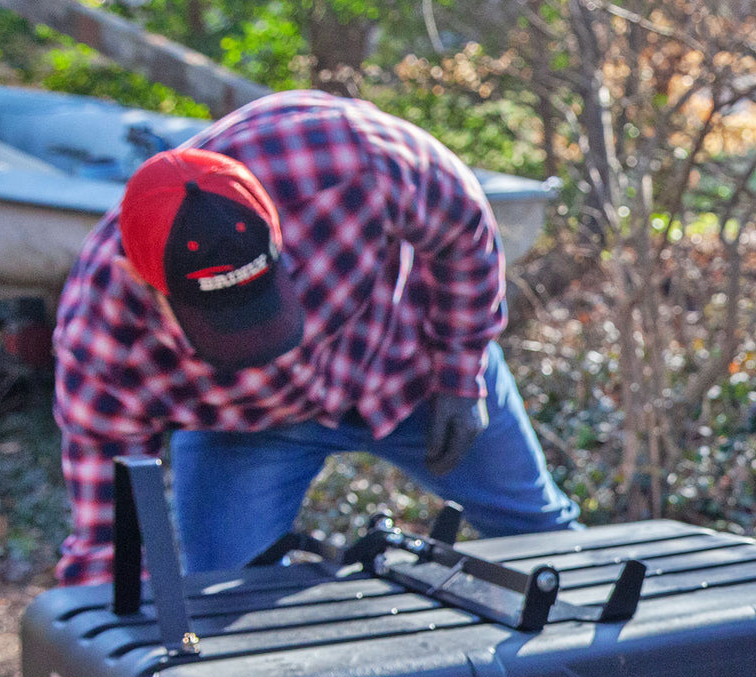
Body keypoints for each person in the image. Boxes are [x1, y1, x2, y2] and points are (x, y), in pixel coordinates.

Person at [53, 89, 580, 586]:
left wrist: (462, 373)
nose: (255, 338)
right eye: (222, 320)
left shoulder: (352, 159)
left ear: (276, 225)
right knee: (225, 595)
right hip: (249, 426)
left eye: (259, 297)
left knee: (547, 541)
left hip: (410, 365)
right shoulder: (101, 336)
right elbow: (109, 542)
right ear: (141, 283)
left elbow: (466, 231)